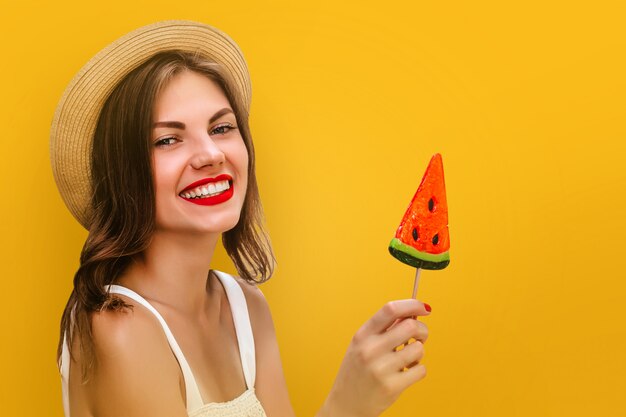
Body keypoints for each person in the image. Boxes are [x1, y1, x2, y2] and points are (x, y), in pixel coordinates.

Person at [50, 20, 431, 417]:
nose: (211, 153)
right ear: (123, 171)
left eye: (221, 127)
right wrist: (349, 404)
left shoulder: (245, 307)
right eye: (168, 139)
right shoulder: (120, 330)